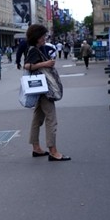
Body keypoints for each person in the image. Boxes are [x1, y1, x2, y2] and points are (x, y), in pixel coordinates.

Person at [23, 23, 69, 162]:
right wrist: (46, 64)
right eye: (43, 36)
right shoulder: (34, 50)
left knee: (37, 118)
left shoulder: (34, 48)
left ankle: (36, 147)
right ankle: (53, 151)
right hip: (44, 89)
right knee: (51, 119)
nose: (45, 38)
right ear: (37, 37)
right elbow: (27, 65)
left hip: (38, 88)